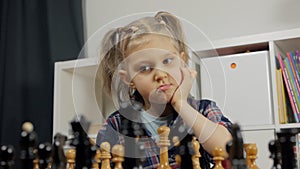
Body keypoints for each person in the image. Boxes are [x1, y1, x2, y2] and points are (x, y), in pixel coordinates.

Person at [96, 11, 232, 169]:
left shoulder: (203, 110)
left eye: (167, 61)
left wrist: (181, 103)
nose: (160, 75)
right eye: (145, 68)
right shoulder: (116, 125)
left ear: (182, 61)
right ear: (128, 79)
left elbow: (228, 149)